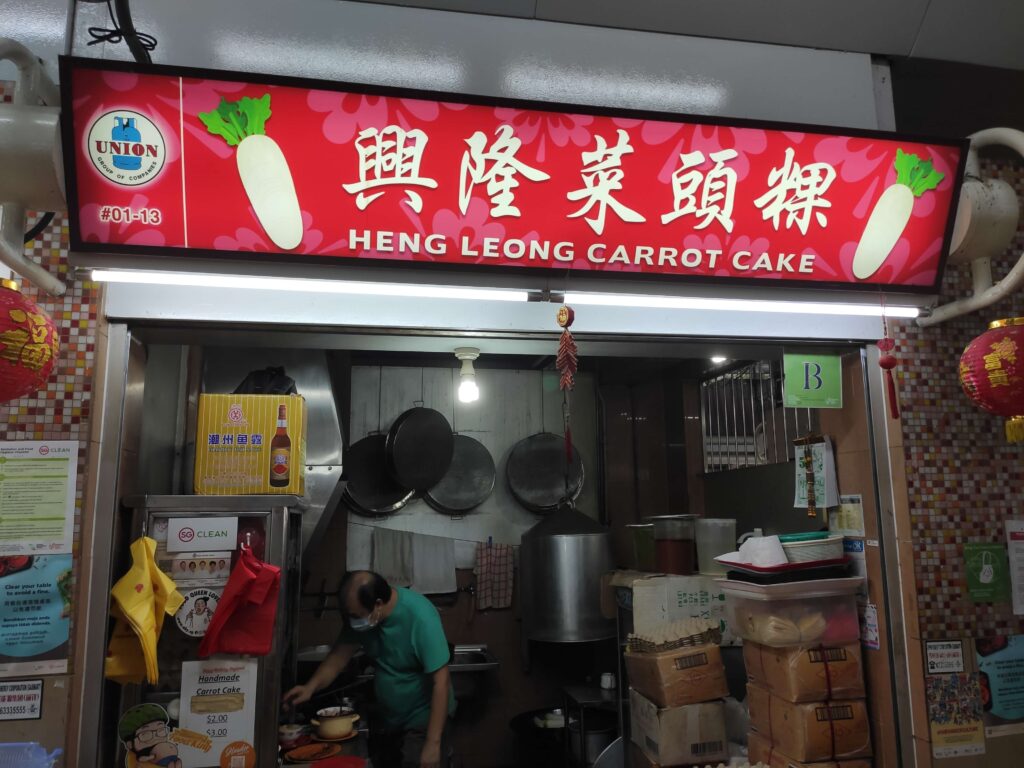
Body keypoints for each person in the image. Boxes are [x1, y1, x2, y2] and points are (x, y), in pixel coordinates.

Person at [283, 571, 455, 768]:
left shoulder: (420, 617)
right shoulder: (362, 618)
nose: (352, 622)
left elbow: (441, 682)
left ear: (379, 604)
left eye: (355, 616)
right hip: (390, 719)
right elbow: (338, 658)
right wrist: (309, 688)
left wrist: (432, 744)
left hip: (423, 717)